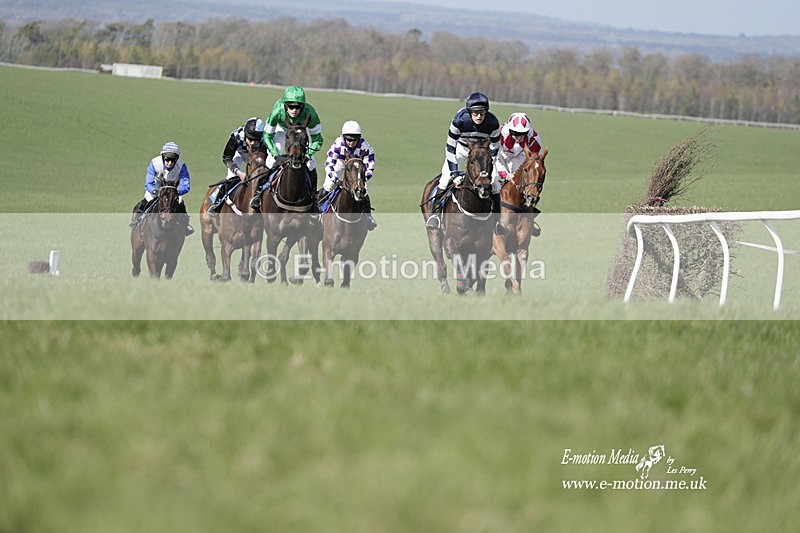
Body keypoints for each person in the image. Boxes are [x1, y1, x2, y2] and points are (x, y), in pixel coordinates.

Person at [426, 91, 501, 230]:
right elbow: (450, 147)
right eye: (475, 113)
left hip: (483, 152)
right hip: (461, 149)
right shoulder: (459, 120)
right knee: (445, 177)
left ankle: (497, 221)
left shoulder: (493, 123)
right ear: (469, 112)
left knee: (495, 182)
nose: (479, 116)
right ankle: (435, 215)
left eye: (482, 113)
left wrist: (490, 166)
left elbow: (496, 147)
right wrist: (454, 173)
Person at [250, 85, 323, 210]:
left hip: (302, 131)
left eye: (298, 106)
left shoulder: (310, 114)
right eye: (291, 106)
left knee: (311, 164)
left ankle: (313, 197)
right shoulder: (277, 112)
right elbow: (267, 136)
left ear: (303, 106)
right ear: (285, 105)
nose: (294, 110)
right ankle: (258, 193)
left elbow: (317, 140)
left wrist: (308, 155)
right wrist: (276, 155)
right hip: (282, 129)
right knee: (270, 161)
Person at [320, 120, 377, 230]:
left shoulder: (366, 147)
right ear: (343, 137)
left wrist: (363, 179)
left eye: (354, 140)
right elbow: (329, 163)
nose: (351, 142)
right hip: (341, 162)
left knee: (364, 189)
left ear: (359, 138)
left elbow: (370, 166)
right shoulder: (337, 144)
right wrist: (335, 179)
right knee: (328, 185)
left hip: (357, 164)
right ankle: (318, 212)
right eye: (348, 139)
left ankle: (368, 216)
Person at [493, 111, 544, 233]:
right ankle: (491, 216)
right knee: (493, 179)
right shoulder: (499, 133)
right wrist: (505, 174)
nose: (519, 137)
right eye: (515, 134)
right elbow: (493, 158)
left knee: (525, 183)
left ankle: (528, 218)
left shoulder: (534, 139)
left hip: (519, 157)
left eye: (523, 134)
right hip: (500, 155)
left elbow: (534, 163)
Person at [207, 117, 267, 217]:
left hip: (257, 157)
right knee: (231, 178)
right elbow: (227, 157)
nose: (252, 143)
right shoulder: (237, 136)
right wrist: (239, 173)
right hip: (239, 153)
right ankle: (217, 202)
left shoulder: (265, 138)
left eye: (255, 140)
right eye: (250, 139)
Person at [130, 141, 193, 236]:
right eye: (167, 160)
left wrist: (178, 191)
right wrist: (155, 191)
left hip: (173, 188)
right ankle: (138, 220)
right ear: (163, 157)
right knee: (148, 200)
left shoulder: (182, 166)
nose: (170, 163)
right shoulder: (155, 163)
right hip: (157, 186)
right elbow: (148, 182)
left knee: (180, 202)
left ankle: (185, 225)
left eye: (173, 160)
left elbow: (185, 183)